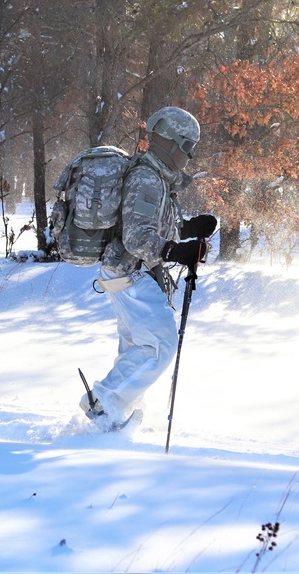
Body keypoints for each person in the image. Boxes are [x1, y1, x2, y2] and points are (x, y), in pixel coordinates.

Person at [80, 106, 217, 429]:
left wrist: (186, 230)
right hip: (130, 272)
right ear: (170, 142)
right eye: (187, 147)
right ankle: (104, 406)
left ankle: (118, 410)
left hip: (128, 273)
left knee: (139, 347)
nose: (189, 156)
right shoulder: (146, 177)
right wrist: (175, 250)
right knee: (160, 345)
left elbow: (149, 222)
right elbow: (136, 236)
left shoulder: (155, 176)